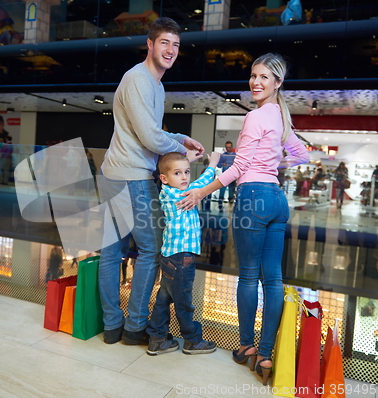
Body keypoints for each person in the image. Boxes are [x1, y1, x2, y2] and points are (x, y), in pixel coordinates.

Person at [177, 53, 309, 385]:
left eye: (264, 77)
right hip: (278, 201)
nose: (255, 82)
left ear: (278, 83)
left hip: (253, 199)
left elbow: (238, 169)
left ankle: (247, 347)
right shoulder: (281, 117)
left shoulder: (256, 116)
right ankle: (266, 355)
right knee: (273, 280)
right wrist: (276, 167)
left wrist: (200, 192)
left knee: (249, 278)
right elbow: (303, 155)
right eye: (253, 75)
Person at [97, 17, 205, 346]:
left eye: (175, 45)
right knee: (151, 250)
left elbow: (153, 133)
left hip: (112, 173)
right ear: (150, 44)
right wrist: (178, 148)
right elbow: (148, 138)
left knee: (111, 252)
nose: (170, 50)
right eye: (164, 43)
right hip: (131, 176)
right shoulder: (140, 79)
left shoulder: (154, 85)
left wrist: (180, 138)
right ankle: (134, 328)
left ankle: (112, 327)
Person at [146, 151, 220, 355]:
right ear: (164, 178)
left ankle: (157, 338)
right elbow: (205, 182)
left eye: (187, 172)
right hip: (181, 259)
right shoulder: (184, 193)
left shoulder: (165, 191)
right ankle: (192, 340)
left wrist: (187, 162)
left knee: (164, 299)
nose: (185, 177)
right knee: (184, 302)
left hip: (170, 256)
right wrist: (213, 163)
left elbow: (175, 172)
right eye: (178, 173)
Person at [218, 141, 236, 206]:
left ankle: (230, 209)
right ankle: (220, 207)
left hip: (232, 177)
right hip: (224, 176)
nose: (228, 149)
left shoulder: (235, 155)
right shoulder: (223, 155)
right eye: (227, 147)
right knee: (222, 192)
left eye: (229, 147)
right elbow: (218, 165)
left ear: (232, 147)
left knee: (231, 193)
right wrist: (223, 164)